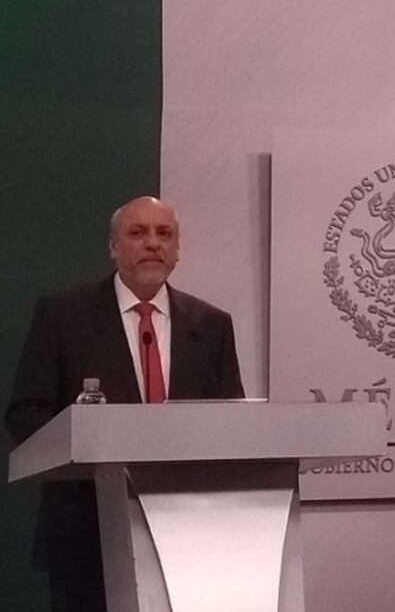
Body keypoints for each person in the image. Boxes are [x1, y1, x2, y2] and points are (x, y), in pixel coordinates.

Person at [6, 196, 245, 612]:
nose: (153, 244)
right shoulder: (64, 316)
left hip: (189, 535)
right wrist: (86, 441)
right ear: (113, 247)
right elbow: (26, 413)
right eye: (138, 233)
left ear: (177, 249)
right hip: (87, 534)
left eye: (164, 234)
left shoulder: (212, 325)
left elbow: (233, 420)